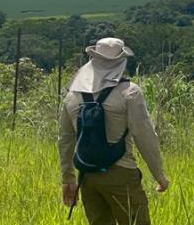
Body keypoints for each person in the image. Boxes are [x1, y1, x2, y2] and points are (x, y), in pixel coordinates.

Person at [59, 37, 170, 225]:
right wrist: (159, 176)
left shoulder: (72, 96)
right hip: (122, 173)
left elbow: (65, 140)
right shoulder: (130, 92)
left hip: (88, 176)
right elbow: (145, 136)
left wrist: (68, 178)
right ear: (121, 61)